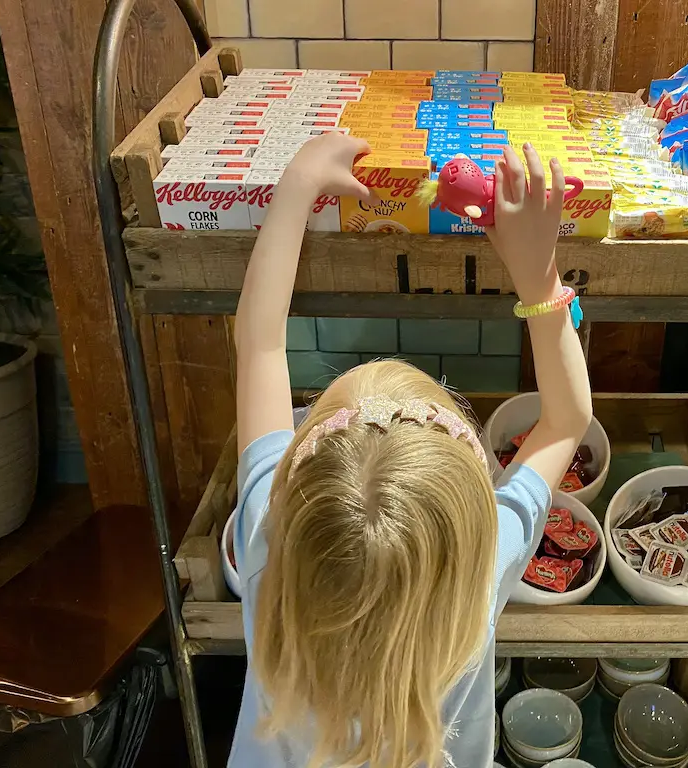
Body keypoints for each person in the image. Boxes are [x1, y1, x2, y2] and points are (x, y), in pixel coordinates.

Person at [229, 133, 593, 768]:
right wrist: (539, 274)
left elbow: (258, 346)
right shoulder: (475, 582)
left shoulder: (269, 551)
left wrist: (295, 187)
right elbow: (567, 422)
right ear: (476, 507)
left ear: (292, 484)